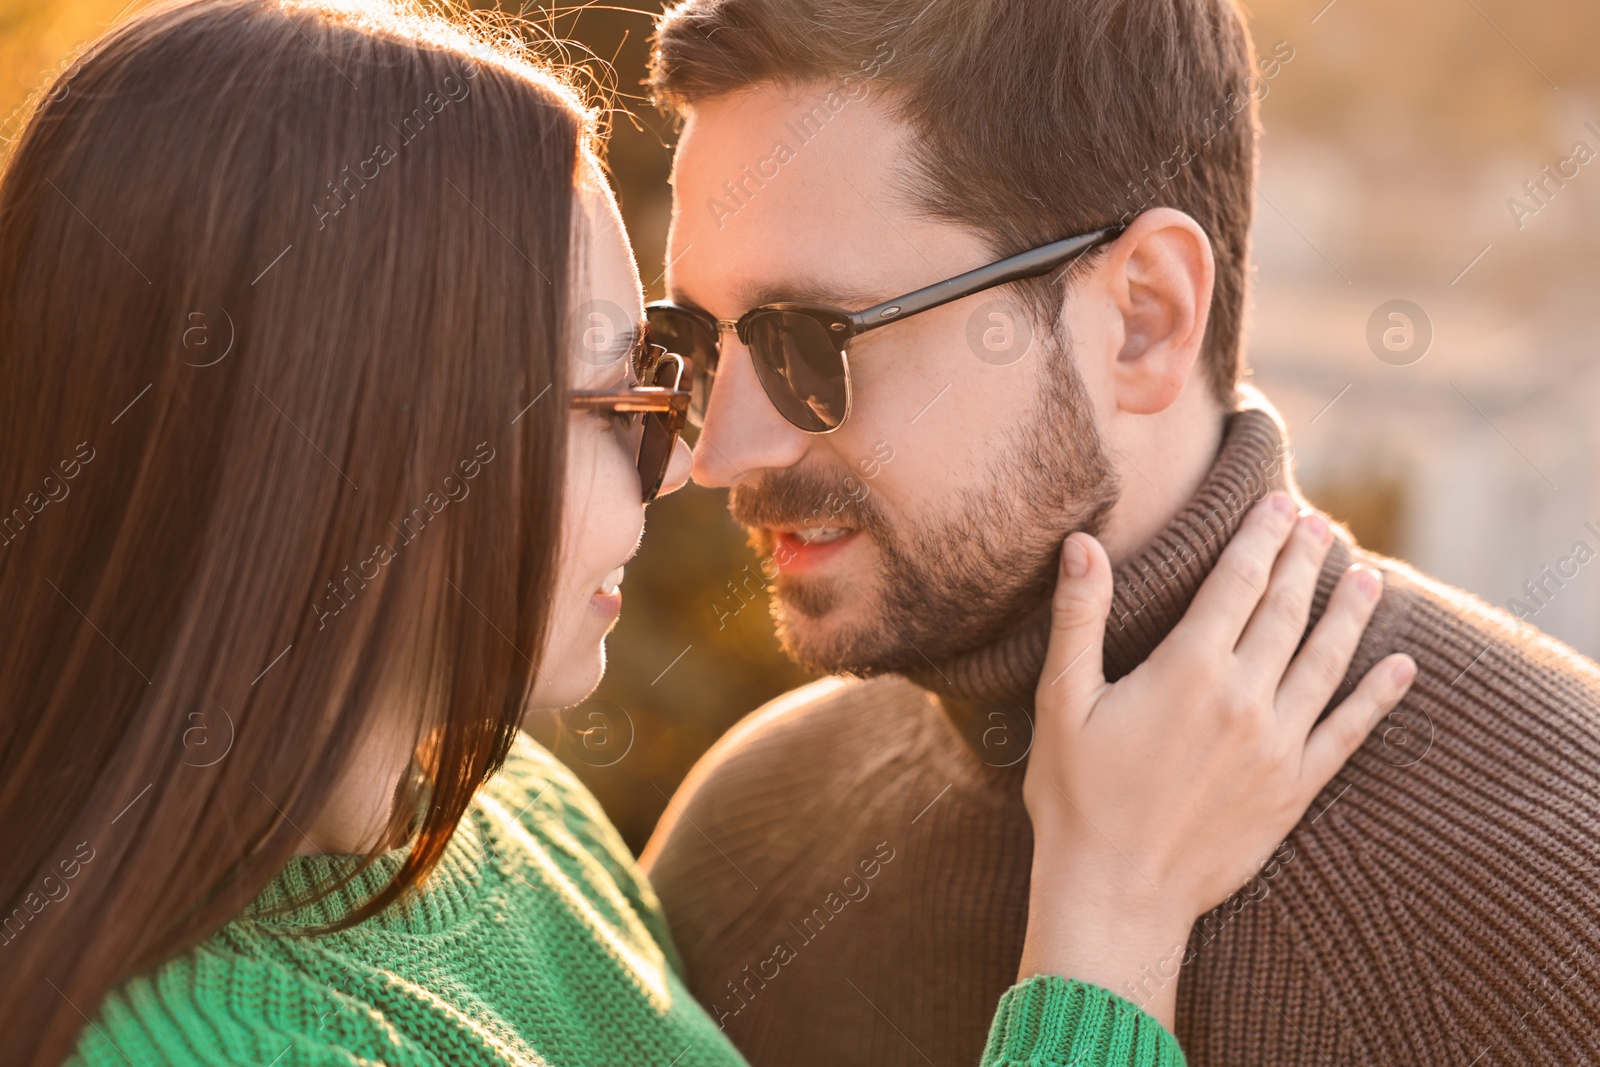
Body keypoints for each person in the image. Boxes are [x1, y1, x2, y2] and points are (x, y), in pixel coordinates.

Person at [0, 3, 1413, 1067]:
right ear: (362, 449)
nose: (686, 467)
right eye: (629, 392)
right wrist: (1108, 929)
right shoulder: (200, 1039)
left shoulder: (513, 821)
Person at [638, 0, 1600, 1064]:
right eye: (695, 340)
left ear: (1142, 315)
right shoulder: (741, 844)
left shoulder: (1565, 893)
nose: (718, 451)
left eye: (807, 342)